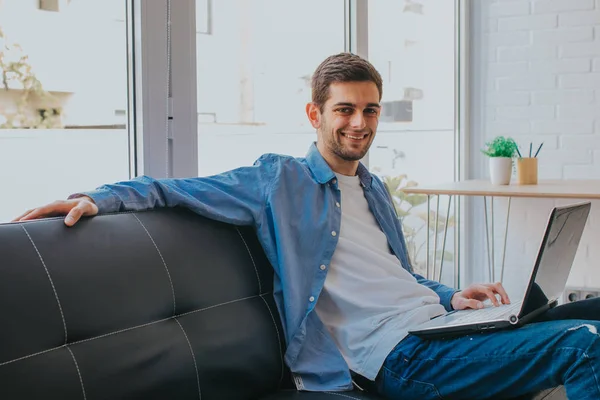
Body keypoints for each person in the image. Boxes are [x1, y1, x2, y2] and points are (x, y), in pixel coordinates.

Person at [13, 53, 600, 400]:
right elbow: (174, 188)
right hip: (398, 359)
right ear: (315, 114)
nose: (359, 123)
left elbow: (395, 274)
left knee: (590, 307)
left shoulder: (370, 186)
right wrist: (96, 196)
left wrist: (453, 295)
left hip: (438, 325)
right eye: (344, 109)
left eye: (370, 110)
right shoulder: (280, 180)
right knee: (584, 347)